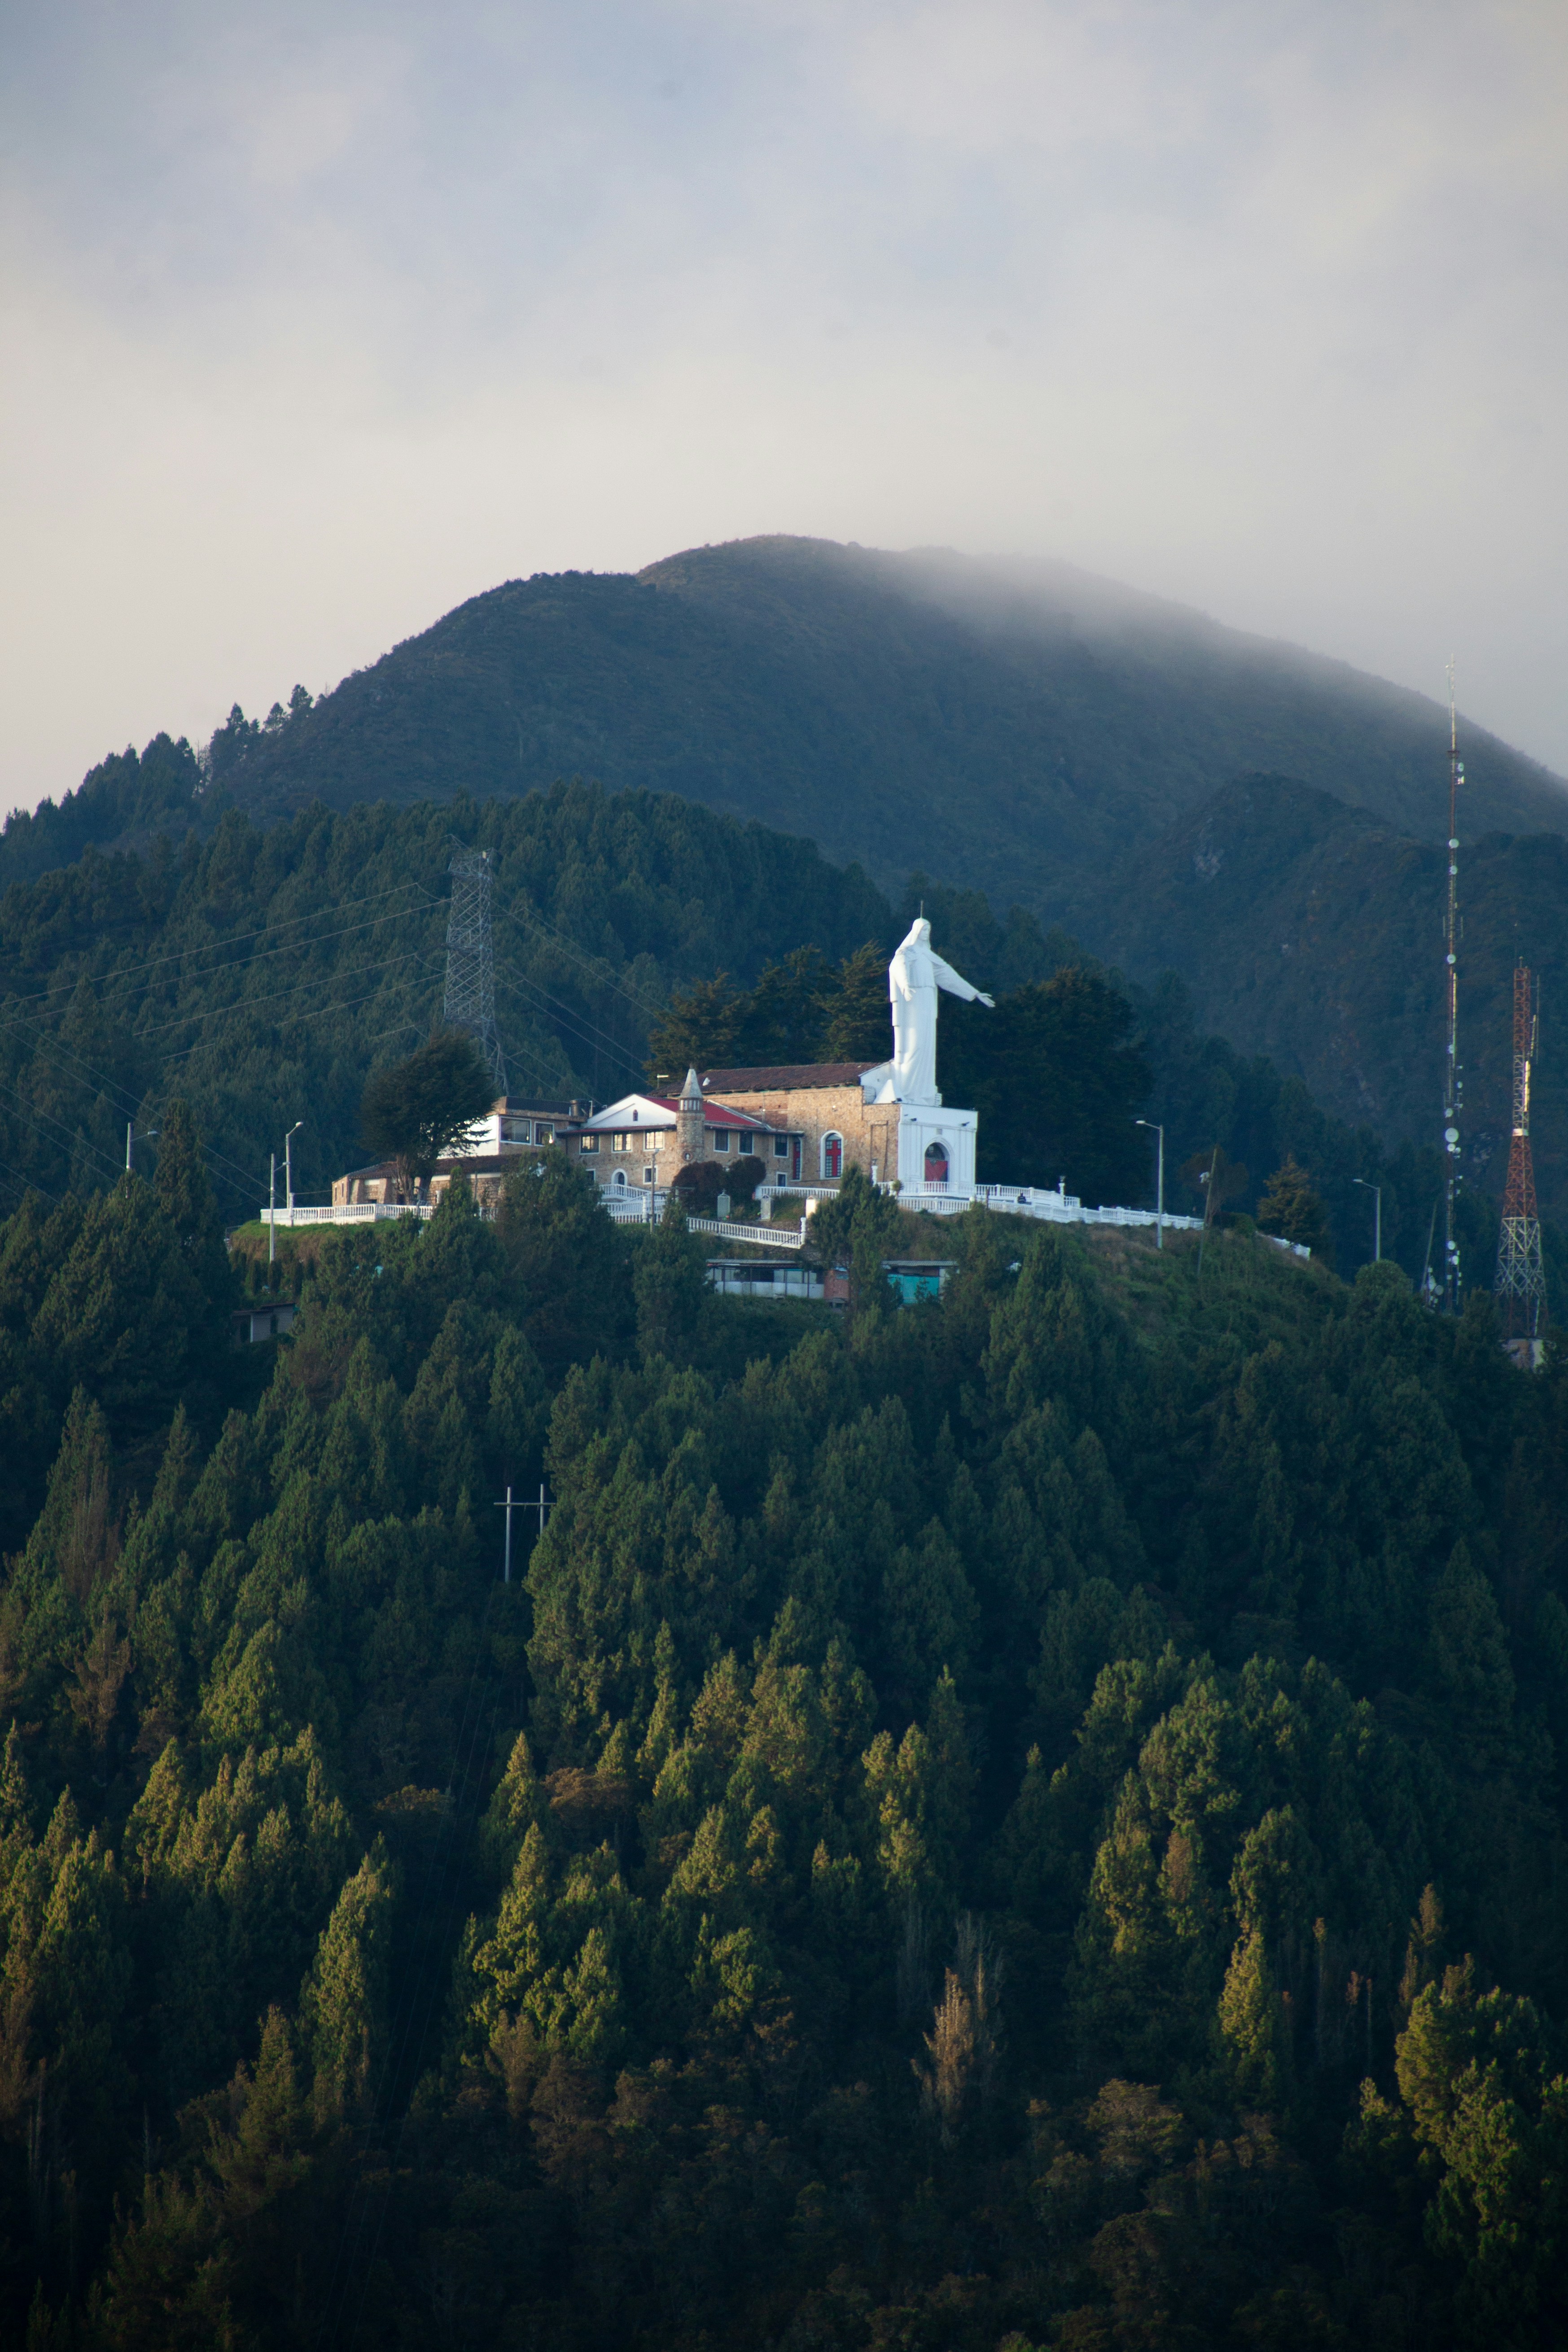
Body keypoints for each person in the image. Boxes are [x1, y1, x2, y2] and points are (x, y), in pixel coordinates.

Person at [863, 918, 994, 1104]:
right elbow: (897, 966)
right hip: (913, 1001)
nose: (926, 933)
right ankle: (907, 1091)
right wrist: (905, 985)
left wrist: (975, 994)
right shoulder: (907, 952)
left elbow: (949, 976)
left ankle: (923, 1093)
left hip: (928, 1002)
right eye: (924, 930)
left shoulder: (929, 956)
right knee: (914, 1044)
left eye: (929, 930)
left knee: (927, 1046)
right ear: (916, 932)